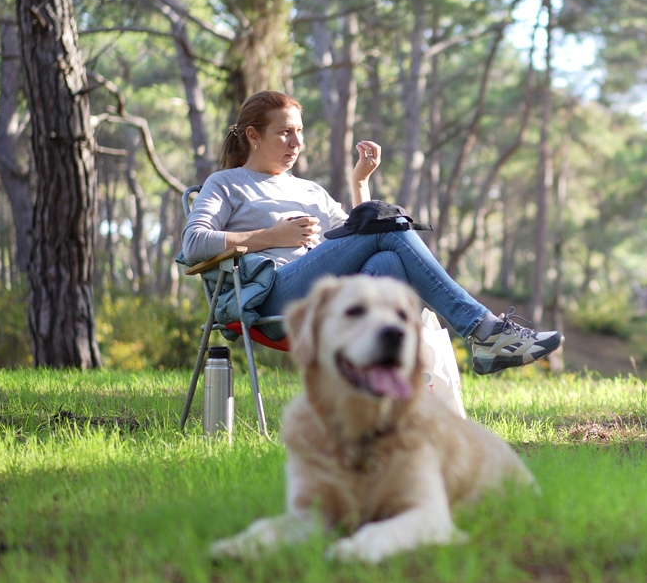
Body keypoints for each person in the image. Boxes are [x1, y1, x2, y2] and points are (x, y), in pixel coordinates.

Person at [181, 90, 563, 375]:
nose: (296, 143)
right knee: (386, 226)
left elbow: (357, 233)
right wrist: (271, 236)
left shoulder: (309, 190)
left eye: (299, 132)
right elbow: (194, 243)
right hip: (272, 301)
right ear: (253, 135)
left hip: (332, 303)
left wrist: (360, 182)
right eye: (284, 133)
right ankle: (484, 331)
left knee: (387, 256)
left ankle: (378, 396)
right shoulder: (227, 183)